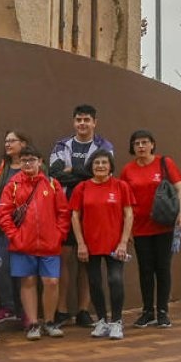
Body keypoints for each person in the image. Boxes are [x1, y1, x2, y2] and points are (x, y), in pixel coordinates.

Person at [49, 104, 114, 329]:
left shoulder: (104, 146)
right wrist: (83, 173)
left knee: (87, 261)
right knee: (64, 258)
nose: (82, 123)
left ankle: (83, 310)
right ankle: (62, 310)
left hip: (93, 210)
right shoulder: (61, 145)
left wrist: (71, 171)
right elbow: (54, 175)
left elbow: (102, 173)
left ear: (94, 122)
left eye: (87, 119)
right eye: (79, 120)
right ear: (74, 122)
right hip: (64, 209)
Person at [0, 144, 69, 340]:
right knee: (27, 282)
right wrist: (15, 236)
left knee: (51, 282)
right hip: (22, 245)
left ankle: (50, 322)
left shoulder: (52, 184)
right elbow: (3, 215)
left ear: (40, 162)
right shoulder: (12, 185)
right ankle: (34, 324)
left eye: (31, 160)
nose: (28, 164)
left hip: (50, 244)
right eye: (24, 160)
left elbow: (63, 213)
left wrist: (59, 235)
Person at [120, 129, 181, 329]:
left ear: (152, 144)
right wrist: (126, 230)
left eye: (144, 142)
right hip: (140, 227)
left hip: (163, 225)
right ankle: (148, 311)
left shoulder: (164, 163)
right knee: (146, 269)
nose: (141, 146)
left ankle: (163, 311)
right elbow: (124, 202)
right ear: (132, 147)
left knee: (163, 267)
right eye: (137, 143)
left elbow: (180, 190)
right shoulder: (128, 170)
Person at [71, 150, 134, 341]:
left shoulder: (121, 186)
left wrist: (123, 242)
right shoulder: (82, 188)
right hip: (90, 245)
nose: (100, 166)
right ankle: (102, 321)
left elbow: (129, 214)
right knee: (94, 282)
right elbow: (75, 216)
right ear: (91, 166)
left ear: (110, 166)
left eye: (104, 163)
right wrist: (81, 243)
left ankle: (116, 322)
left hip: (115, 245)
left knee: (115, 279)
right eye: (96, 163)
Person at [0, 130, 28, 324]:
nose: (8, 144)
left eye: (12, 140)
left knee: (24, 270)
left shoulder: (35, 165)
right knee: (1, 268)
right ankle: (8, 306)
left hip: (25, 228)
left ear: (23, 144)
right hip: (0, 227)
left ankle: (26, 310)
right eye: (6, 141)